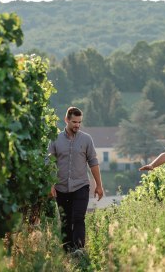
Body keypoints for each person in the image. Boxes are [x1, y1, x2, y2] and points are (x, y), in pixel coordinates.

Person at [48, 106, 104, 253]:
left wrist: (99, 185)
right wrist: (50, 184)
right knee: (66, 221)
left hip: (81, 185)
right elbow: (49, 163)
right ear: (66, 120)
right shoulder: (55, 139)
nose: (77, 125)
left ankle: (79, 251)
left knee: (78, 218)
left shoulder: (86, 139)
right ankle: (67, 252)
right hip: (61, 187)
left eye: (79, 122)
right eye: (74, 122)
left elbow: (93, 162)